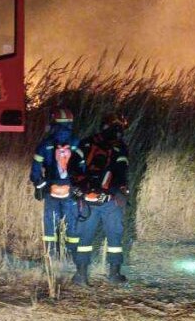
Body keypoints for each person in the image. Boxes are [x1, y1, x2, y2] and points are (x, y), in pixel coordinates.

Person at [69, 113, 130, 286]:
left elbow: (72, 167)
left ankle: (81, 275)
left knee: (84, 237)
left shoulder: (87, 142)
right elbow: (120, 174)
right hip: (109, 201)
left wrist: (81, 189)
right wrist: (116, 192)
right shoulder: (120, 148)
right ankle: (114, 274)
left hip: (88, 199)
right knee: (114, 236)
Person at [29, 108, 81, 256]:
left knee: (50, 224)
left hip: (51, 190)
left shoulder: (45, 144)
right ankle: (72, 257)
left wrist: (39, 185)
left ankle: (50, 256)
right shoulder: (77, 143)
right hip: (70, 190)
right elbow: (83, 167)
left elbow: (36, 170)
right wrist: (80, 187)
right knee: (72, 224)